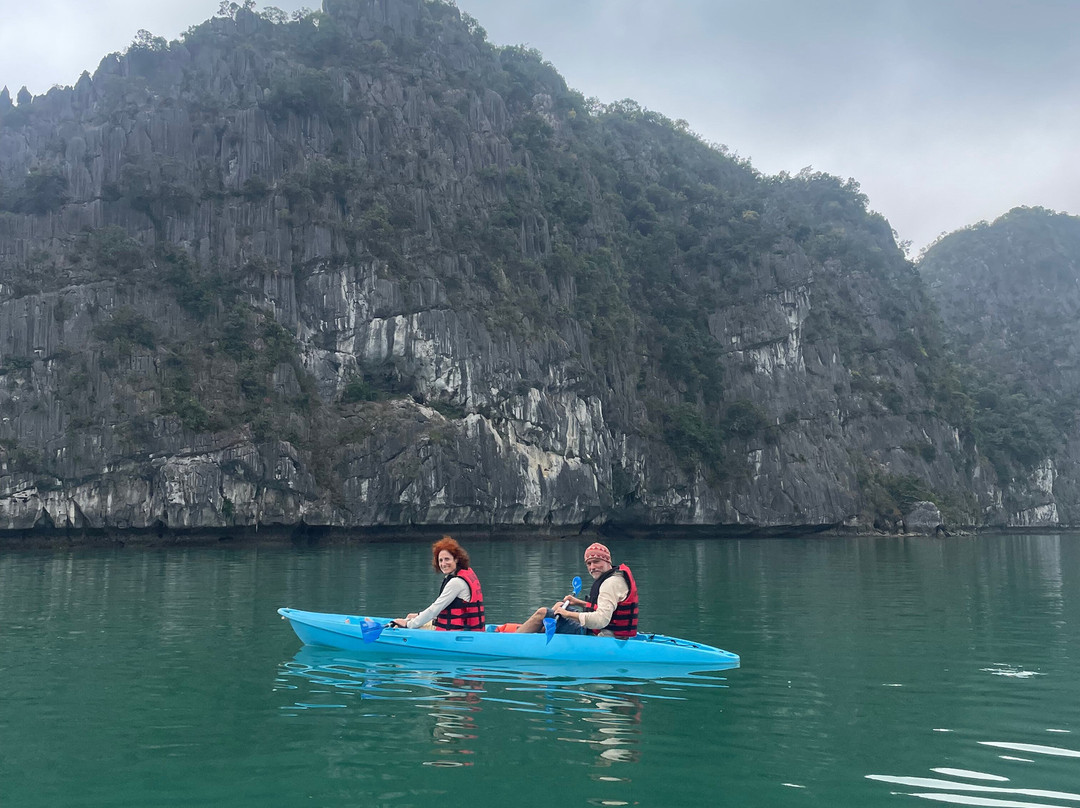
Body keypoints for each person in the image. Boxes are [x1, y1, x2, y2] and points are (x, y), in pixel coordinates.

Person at [515, 542, 639, 638]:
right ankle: (539, 634)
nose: (592, 567)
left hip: (601, 636)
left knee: (542, 613)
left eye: (596, 562)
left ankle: (515, 641)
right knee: (560, 605)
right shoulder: (616, 577)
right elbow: (608, 608)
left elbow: (601, 620)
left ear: (608, 561)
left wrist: (567, 614)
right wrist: (579, 602)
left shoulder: (609, 584)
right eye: (589, 564)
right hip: (612, 632)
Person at [390, 536, 485, 631]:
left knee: (399, 626)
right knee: (410, 616)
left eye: (447, 559)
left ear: (456, 559)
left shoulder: (456, 583)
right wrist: (418, 615)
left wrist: (408, 625)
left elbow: (435, 609)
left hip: (454, 633)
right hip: (464, 628)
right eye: (440, 560)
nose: (443, 564)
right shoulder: (464, 574)